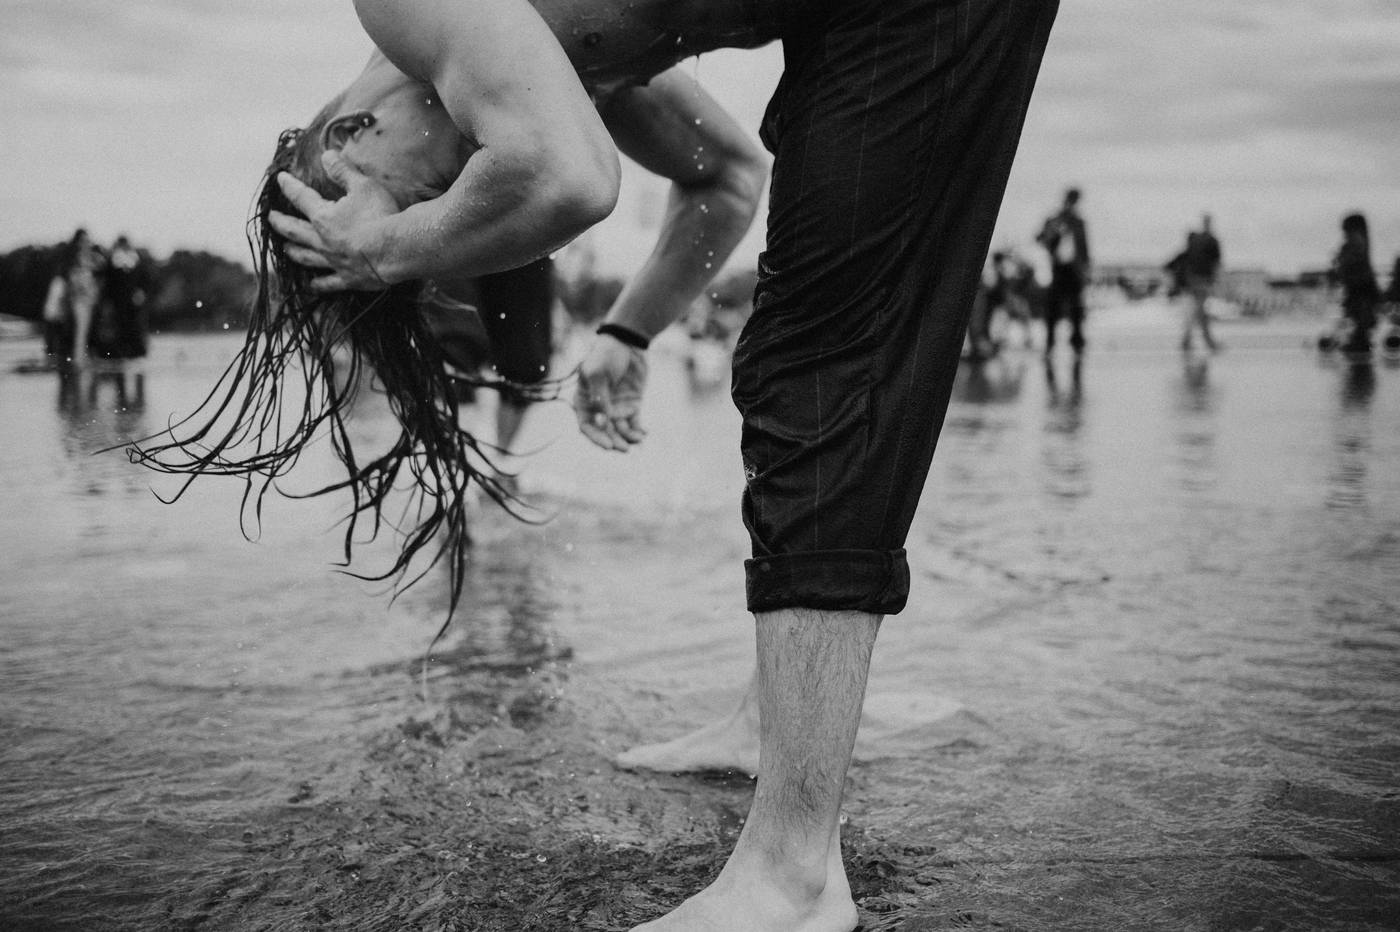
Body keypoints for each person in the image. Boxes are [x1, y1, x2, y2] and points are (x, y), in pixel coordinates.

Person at [134, 1, 1059, 928]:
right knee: (801, 358)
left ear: (348, 137)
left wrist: (379, 249)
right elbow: (729, 179)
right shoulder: (566, 57)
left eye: (410, 203)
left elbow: (568, 179)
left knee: (820, 362)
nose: (441, 231)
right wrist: (627, 327)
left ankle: (793, 877)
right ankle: (774, 729)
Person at [422, 257, 558, 485]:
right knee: (453, 347)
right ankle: (452, 466)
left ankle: (501, 460)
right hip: (454, 235)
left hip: (529, 241)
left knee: (526, 359)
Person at [1036, 186, 1091, 354]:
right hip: (1058, 269)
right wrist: (1054, 232)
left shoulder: (1079, 222)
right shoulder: (1055, 220)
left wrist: (1086, 269)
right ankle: (1051, 340)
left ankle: (1076, 339)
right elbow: (1040, 238)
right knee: (1054, 305)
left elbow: (1084, 248)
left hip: (1074, 269)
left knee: (1076, 306)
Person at [41, 228, 104, 366]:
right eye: (83, 240)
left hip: (88, 300)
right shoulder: (73, 259)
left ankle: (80, 357)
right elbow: (70, 280)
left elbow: (99, 269)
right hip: (77, 300)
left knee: (85, 331)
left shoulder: (90, 257)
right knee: (79, 331)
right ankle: (77, 359)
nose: (86, 243)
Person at [1329, 212, 1381, 355]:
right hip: (1357, 285)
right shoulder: (1356, 243)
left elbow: (1351, 262)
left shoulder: (1356, 243)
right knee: (1358, 315)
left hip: (1360, 286)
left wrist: (1341, 261)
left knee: (1360, 314)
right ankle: (1359, 339)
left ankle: (1360, 340)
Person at [1176, 214, 1223, 353]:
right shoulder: (1212, 241)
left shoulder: (1196, 240)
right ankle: (1205, 341)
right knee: (1199, 310)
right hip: (1203, 280)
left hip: (1193, 279)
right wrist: (1215, 279)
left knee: (1198, 309)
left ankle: (1191, 340)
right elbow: (1217, 263)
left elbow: (1185, 258)